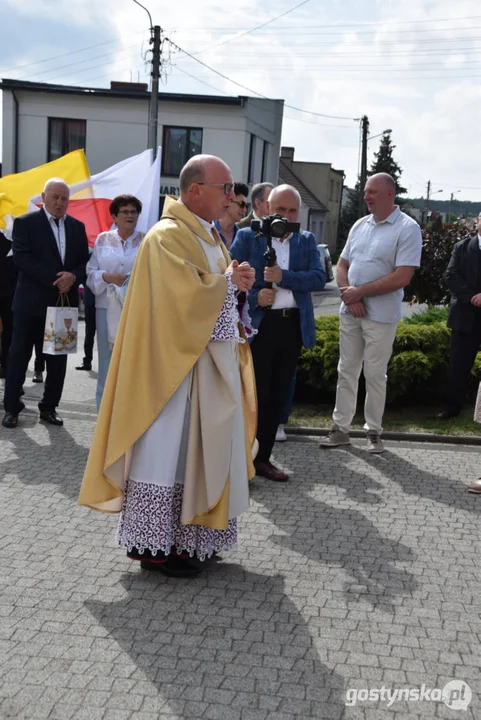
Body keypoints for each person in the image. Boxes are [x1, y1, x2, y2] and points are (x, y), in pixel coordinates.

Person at [78, 155, 257, 578]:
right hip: (169, 376)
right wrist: (227, 284)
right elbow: (181, 301)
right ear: (196, 190)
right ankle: (157, 548)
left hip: (206, 368)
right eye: (225, 187)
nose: (231, 197)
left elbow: (212, 291)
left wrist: (235, 283)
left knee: (199, 453)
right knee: (166, 455)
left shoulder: (210, 237)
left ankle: (191, 539)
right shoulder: (167, 237)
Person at [320, 173, 422, 453]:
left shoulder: (407, 228)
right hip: (350, 310)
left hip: (381, 316)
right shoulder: (359, 225)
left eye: (373, 192)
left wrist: (360, 292)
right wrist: (349, 294)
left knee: (375, 374)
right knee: (346, 370)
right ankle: (340, 429)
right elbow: (341, 266)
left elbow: (402, 276)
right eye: (366, 191)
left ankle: (373, 431)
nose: (367, 196)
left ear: (390, 194)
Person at [231, 184, 325, 481]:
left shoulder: (306, 240)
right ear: (267, 208)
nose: (285, 216)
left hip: (291, 326)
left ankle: (263, 460)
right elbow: (230, 278)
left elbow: (319, 277)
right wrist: (257, 294)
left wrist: (285, 278)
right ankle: (241, 461)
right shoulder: (248, 237)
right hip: (259, 326)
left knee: (278, 396)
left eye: (292, 211)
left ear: (300, 213)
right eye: (280, 209)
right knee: (253, 395)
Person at [2, 178, 89, 429]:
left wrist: (74, 276)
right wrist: (56, 279)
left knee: (58, 359)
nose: (60, 202)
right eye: (55, 197)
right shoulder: (25, 223)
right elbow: (22, 259)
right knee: (19, 356)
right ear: (44, 196)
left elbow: (85, 262)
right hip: (30, 304)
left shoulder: (77, 227)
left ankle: (49, 407)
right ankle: (12, 408)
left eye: (64, 198)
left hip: (63, 306)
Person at [86, 195, 144, 410]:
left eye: (133, 211)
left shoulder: (146, 241)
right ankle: (103, 413)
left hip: (135, 310)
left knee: (133, 362)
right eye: (125, 212)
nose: (130, 215)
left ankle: (128, 413)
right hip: (106, 309)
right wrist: (108, 277)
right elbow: (90, 273)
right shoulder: (103, 240)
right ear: (114, 216)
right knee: (106, 362)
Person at [436, 212, 481, 420]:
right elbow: (450, 276)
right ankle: (452, 408)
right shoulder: (461, 247)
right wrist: (472, 297)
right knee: (458, 366)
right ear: (477, 222)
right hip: (464, 315)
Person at [214, 181, 248, 249]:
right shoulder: (209, 230)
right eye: (241, 204)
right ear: (229, 201)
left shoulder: (243, 237)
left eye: (246, 206)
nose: (244, 210)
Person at [75, 284, 96, 372]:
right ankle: (87, 361)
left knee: (108, 334)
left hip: (107, 300)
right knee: (89, 333)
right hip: (90, 301)